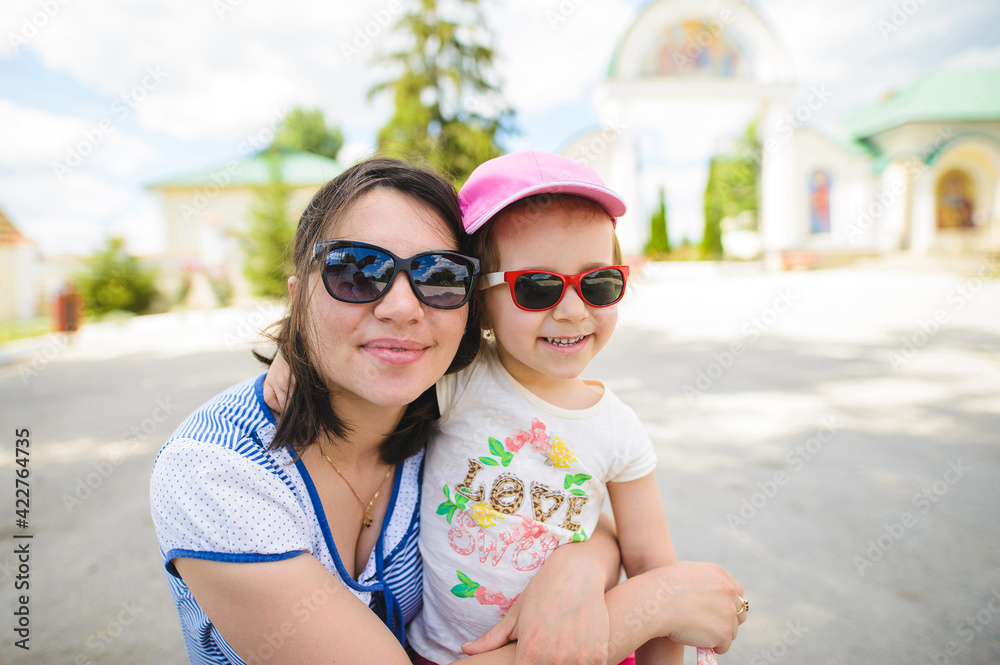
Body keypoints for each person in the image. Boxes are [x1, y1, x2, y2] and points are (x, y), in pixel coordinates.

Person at [153, 156, 745, 665]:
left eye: (438, 278)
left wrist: (578, 564)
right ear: (296, 296)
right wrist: (653, 605)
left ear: (466, 309)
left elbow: (571, 498)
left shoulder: (428, 412)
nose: (403, 307)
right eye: (356, 272)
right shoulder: (216, 474)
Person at [404, 151, 725, 665]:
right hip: (441, 654)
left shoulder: (619, 430)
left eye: (599, 283)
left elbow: (653, 572)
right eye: (536, 287)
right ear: (481, 298)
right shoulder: (457, 379)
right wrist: (294, 358)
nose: (573, 310)